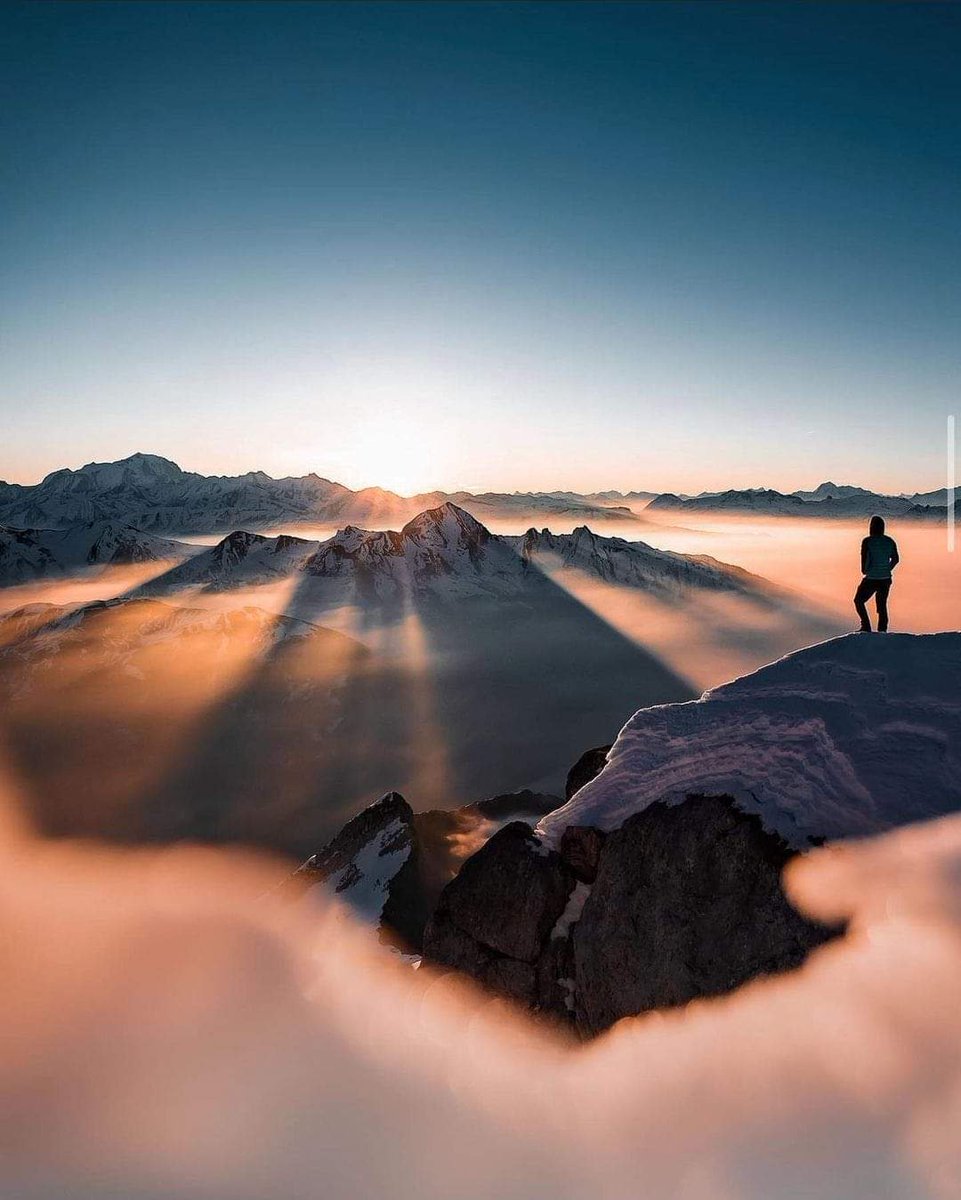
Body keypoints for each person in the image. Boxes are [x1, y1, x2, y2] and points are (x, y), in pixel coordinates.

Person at [854, 515, 900, 632]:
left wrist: (867, 570)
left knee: (858, 600)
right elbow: (896, 559)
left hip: (871, 578)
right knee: (882, 606)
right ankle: (882, 632)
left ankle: (866, 627)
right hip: (885, 579)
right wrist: (887, 569)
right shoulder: (890, 541)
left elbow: (864, 563)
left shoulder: (867, 541)